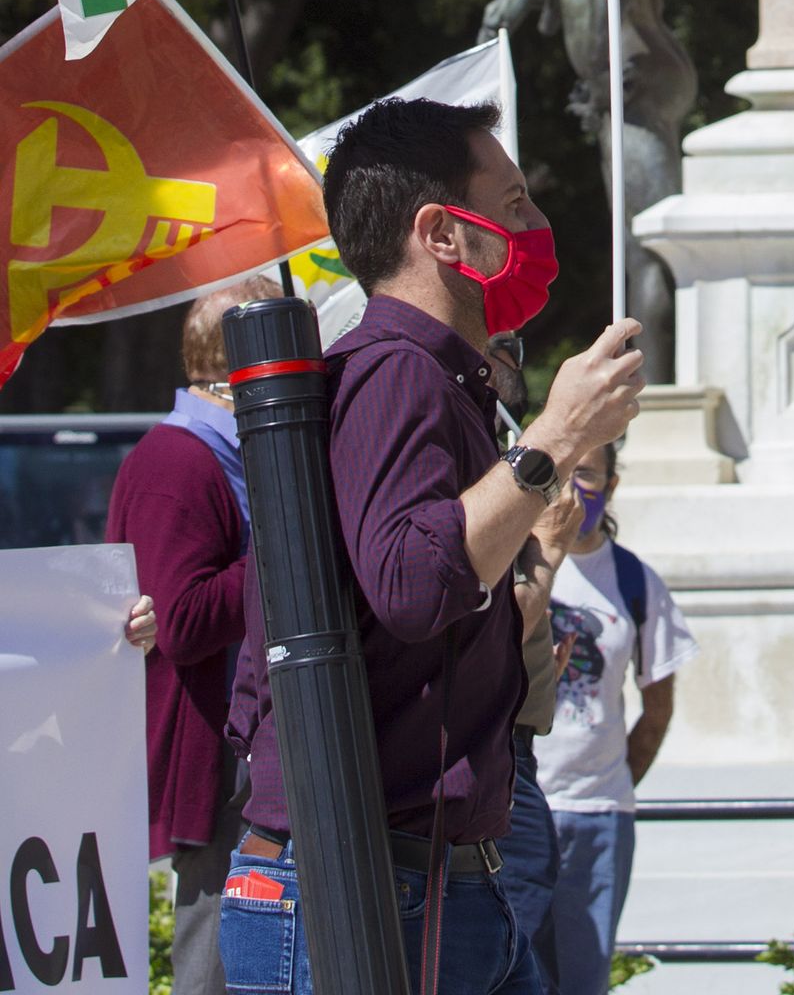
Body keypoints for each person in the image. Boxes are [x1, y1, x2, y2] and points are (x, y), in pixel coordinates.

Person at [221, 98, 644, 995]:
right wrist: (556, 437)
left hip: (438, 884)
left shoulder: (435, 380)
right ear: (443, 233)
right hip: (368, 893)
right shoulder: (396, 372)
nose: (535, 224)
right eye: (514, 201)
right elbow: (414, 585)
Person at [106, 274, 280, 995]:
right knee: (214, 944)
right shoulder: (179, 462)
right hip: (213, 754)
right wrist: (286, 553)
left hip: (243, 742)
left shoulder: (224, 450)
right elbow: (180, 621)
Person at [539, 443, 697, 995]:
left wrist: (613, 779)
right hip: (510, 818)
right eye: (559, 471)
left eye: (585, 473)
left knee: (583, 979)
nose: (570, 486)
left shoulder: (636, 582)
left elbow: (659, 709)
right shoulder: (514, 562)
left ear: (611, 484)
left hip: (597, 814)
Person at [488, 327, 581, 992]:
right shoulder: (484, 468)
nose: (513, 364)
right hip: (495, 756)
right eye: (501, 347)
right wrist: (548, 547)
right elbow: (493, 615)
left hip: (511, 749)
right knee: (509, 960)